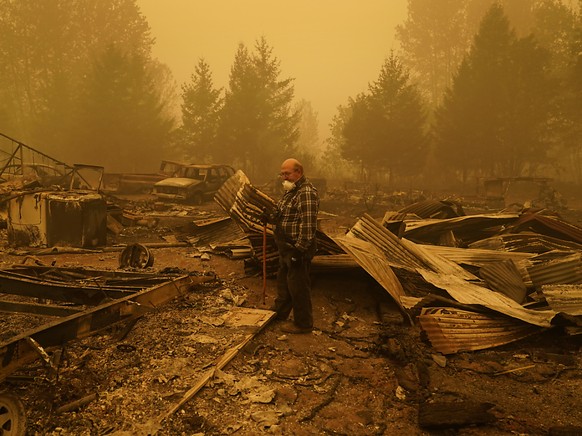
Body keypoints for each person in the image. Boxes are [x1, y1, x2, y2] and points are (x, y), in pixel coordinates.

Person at [266, 158, 319, 334]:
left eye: (287, 173)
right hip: (286, 247)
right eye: (282, 173)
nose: (283, 177)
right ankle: (280, 313)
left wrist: (299, 250)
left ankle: (303, 324)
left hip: (297, 249)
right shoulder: (291, 191)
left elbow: (308, 225)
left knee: (298, 287)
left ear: (299, 172)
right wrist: (270, 218)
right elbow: (284, 214)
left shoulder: (306, 193)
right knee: (284, 282)